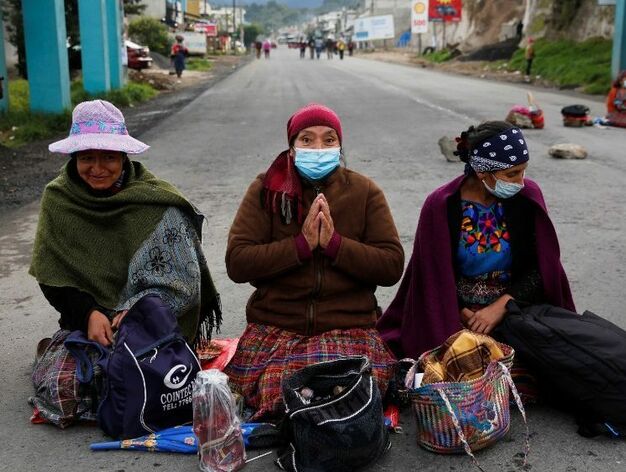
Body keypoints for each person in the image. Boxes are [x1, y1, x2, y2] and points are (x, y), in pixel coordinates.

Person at [224, 103, 404, 420]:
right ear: (292, 149)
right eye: (307, 140)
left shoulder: (364, 192)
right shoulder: (265, 191)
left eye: (328, 139)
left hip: (348, 327)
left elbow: (390, 265)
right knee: (282, 393)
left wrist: (335, 245)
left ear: (339, 146)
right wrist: (301, 246)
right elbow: (238, 262)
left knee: (345, 388)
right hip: (277, 327)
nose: (318, 148)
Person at [31, 100, 222, 352]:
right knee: (74, 385)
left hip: (149, 322)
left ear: (123, 157)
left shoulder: (158, 202)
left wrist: (140, 307)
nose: (97, 168)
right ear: (74, 157)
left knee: (152, 378)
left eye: (109, 158)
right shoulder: (59, 199)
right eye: (87, 157)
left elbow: (184, 280)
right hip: (86, 323)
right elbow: (51, 275)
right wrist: (88, 314)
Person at [377, 121, 575, 360]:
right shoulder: (441, 206)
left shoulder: (526, 198)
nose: (520, 181)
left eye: (523, 171)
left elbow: (543, 268)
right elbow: (431, 277)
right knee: (452, 367)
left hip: (516, 308)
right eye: (511, 174)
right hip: (451, 311)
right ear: (482, 171)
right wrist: (463, 313)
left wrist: (501, 306)